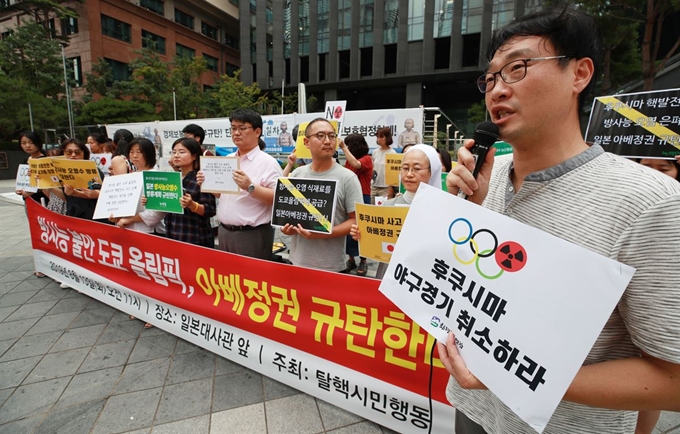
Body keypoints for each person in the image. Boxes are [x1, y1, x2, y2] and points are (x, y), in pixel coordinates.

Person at [442, 5, 680, 434]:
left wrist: (513, 374)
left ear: (579, 74)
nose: (497, 89)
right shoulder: (485, 181)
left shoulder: (650, 202)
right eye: (491, 78)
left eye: (517, 68)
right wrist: (467, 214)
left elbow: (672, 378)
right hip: (473, 409)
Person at [280, 118, 363, 272]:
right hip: (297, 261)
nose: (327, 141)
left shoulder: (348, 178)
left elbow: (356, 220)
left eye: (332, 136)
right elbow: (290, 215)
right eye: (320, 135)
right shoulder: (297, 174)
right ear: (306, 142)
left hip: (331, 266)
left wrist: (323, 233)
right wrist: (287, 228)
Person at [351, 144, 441, 279]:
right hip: (390, 276)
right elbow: (376, 243)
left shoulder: (441, 210)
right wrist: (362, 234)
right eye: (405, 168)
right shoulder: (387, 207)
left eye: (416, 168)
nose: (409, 174)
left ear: (431, 172)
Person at [205, 109, 282, 260]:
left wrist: (250, 187)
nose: (236, 133)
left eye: (242, 128)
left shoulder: (268, 163)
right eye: (233, 128)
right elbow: (221, 194)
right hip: (224, 231)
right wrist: (207, 183)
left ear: (257, 131)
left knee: (251, 280)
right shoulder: (228, 159)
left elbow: (278, 199)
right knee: (228, 280)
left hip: (251, 234)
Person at [165, 138, 216, 248]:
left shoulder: (201, 178)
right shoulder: (172, 178)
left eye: (182, 152)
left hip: (195, 239)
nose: (176, 155)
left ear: (194, 156)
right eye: (174, 152)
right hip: (173, 236)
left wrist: (192, 205)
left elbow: (210, 209)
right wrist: (151, 200)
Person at [339, 133, 374, 276]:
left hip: (362, 197)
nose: (346, 147)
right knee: (349, 230)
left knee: (361, 231)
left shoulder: (367, 159)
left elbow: (356, 165)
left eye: (348, 145)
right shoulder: (349, 159)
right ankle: (351, 259)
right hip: (348, 197)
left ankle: (363, 260)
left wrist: (342, 148)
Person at [371, 126, 397, 204]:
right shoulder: (375, 151)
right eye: (377, 137)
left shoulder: (392, 153)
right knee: (371, 209)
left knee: (383, 210)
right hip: (374, 186)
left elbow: (393, 173)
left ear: (387, 138)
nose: (379, 139)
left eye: (381, 137)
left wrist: (390, 188)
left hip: (385, 188)